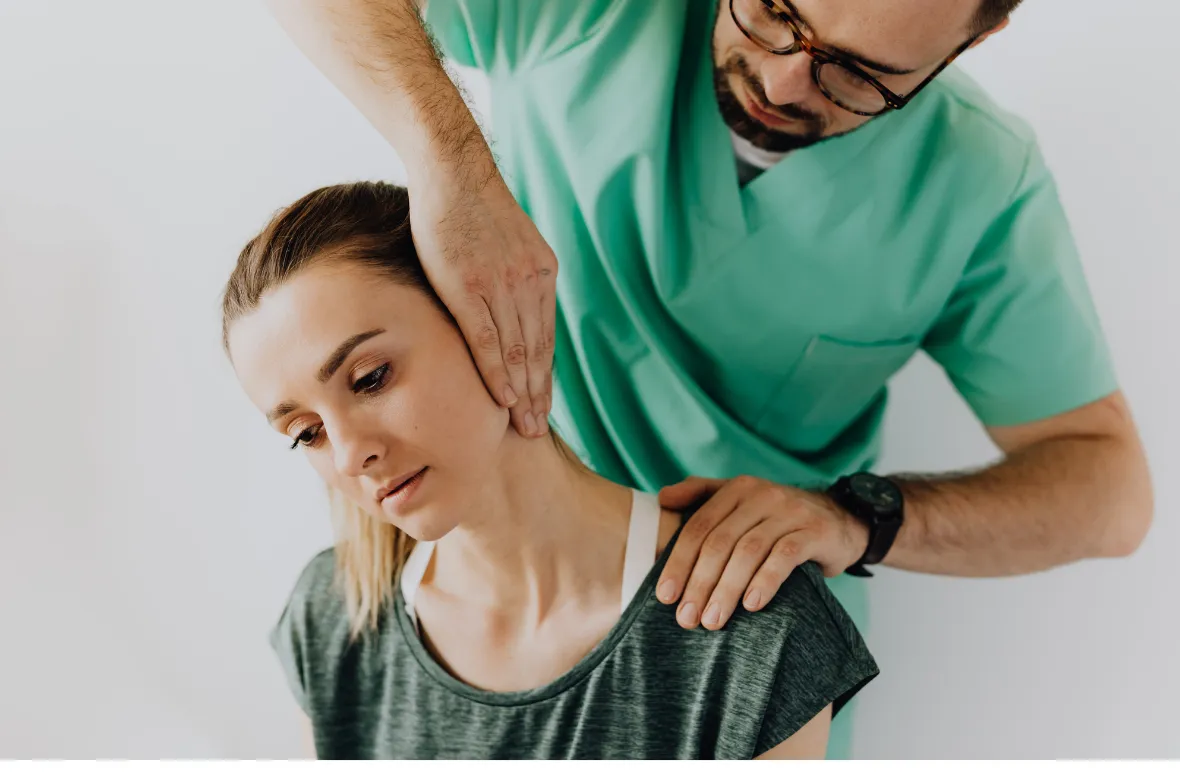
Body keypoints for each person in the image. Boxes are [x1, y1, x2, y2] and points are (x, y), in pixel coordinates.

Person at [265, 0, 1154, 757]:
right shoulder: (593, 17)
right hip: (484, 589)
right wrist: (451, 165)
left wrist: (859, 517)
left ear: (968, 44)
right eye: (775, 13)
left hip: (721, 634)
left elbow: (1109, 492)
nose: (783, 84)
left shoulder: (979, 183)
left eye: (859, 75)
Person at [221, 180, 879, 759]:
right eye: (306, 432)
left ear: (492, 320)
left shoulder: (751, 623)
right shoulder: (334, 618)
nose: (347, 453)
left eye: (370, 378)